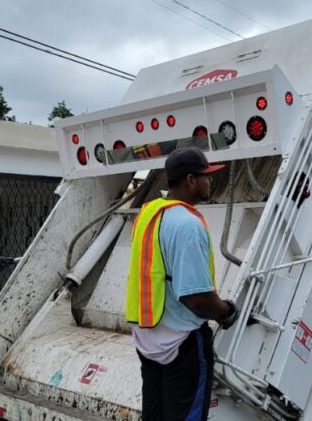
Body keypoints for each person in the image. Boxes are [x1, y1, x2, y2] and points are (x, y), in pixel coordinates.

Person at [125, 147, 239, 421]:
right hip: (182, 345)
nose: (210, 181)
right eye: (206, 176)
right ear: (190, 180)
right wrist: (227, 312)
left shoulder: (148, 214)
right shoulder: (188, 225)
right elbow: (197, 299)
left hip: (149, 338)